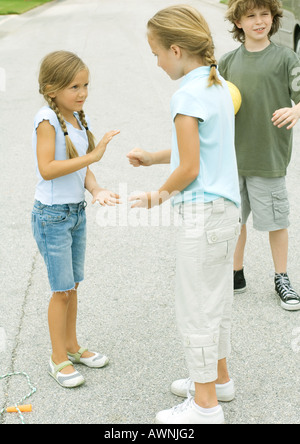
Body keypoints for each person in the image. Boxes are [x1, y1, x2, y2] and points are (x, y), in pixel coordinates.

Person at [127, 5, 241, 424]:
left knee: (196, 308)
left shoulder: (186, 94)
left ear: (175, 50)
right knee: (217, 303)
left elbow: (190, 168)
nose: (155, 62)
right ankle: (219, 380)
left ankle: (205, 405)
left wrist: (157, 195)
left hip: (202, 213)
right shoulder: (216, 86)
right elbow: (199, 152)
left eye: (156, 53)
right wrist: (154, 157)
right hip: (226, 212)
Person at [31, 51, 120, 388]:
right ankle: (57, 359)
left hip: (75, 213)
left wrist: (96, 189)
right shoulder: (46, 120)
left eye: (85, 85)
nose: (82, 92)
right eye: (74, 86)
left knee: (74, 286)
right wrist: (94, 155)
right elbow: (47, 169)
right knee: (61, 291)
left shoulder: (77, 116)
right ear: (52, 89)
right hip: (51, 216)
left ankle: (72, 347)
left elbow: (81, 166)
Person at [219, 0, 300, 311]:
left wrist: (294, 110)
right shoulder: (226, 63)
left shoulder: (285, 58)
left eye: (264, 14)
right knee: (234, 220)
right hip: (233, 158)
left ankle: (282, 277)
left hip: (269, 158)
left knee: (276, 221)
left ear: (273, 17)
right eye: (250, 16)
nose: (258, 21)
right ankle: (235, 274)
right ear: (238, 22)